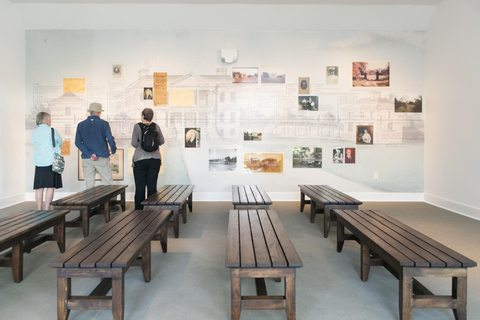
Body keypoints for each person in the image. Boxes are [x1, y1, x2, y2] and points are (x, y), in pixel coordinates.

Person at [75, 103, 117, 209]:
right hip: (102, 156)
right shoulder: (104, 124)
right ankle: (110, 205)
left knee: (89, 182)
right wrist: (113, 149)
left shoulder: (81, 125)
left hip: (87, 158)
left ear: (90, 112)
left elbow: (78, 142)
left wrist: (89, 154)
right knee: (107, 181)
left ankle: (91, 205)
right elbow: (110, 138)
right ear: (99, 112)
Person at [131, 108, 165, 210]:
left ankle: (139, 210)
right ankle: (152, 209)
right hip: (155, 159)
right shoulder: (156, 126)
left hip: (140, 159)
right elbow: (162, 141)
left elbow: (134, 143)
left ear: (142, 116)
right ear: (152, 116)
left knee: (140, 186)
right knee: (152, 185)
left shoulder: (137, 126)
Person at [32, 112, 63, 210]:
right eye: (50, 119)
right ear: (46, 120)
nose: (51, 121)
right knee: (50, 187)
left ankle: (39, 209)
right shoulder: (52, 131)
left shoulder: (34, 132)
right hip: (50, 161)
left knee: (39, 187)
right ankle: (47, 209)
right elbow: (60, 142)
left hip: (38, 162)